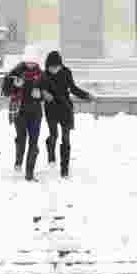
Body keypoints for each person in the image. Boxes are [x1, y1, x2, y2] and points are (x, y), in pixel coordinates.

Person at [41, 50, 94, 178]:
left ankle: (64, 169)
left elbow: (73, 88)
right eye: (51, 67)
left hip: (65, 109)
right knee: (54, 135)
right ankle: (51, 153)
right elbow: (37, 90)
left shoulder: (66, 72)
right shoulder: (44, 75)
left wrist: (86, 95)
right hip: (51, 110)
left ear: (60, 65)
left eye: (57, 66)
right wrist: (43, 94)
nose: (54, 69)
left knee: (66, 139)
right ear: (47, 66)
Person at [1, 45, 47, 182]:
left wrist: (40, 95)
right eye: (28, 61)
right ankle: (18, 162)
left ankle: (29, 173)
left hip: (35, 112)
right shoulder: (15, 72)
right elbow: (5, 91)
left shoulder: (42, 75)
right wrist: (15, 85)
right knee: (21, 139)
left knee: (34, 142)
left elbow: (47, 93)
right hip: (19, 111)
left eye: (33, 61)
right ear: (24, 60)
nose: (31, 64)